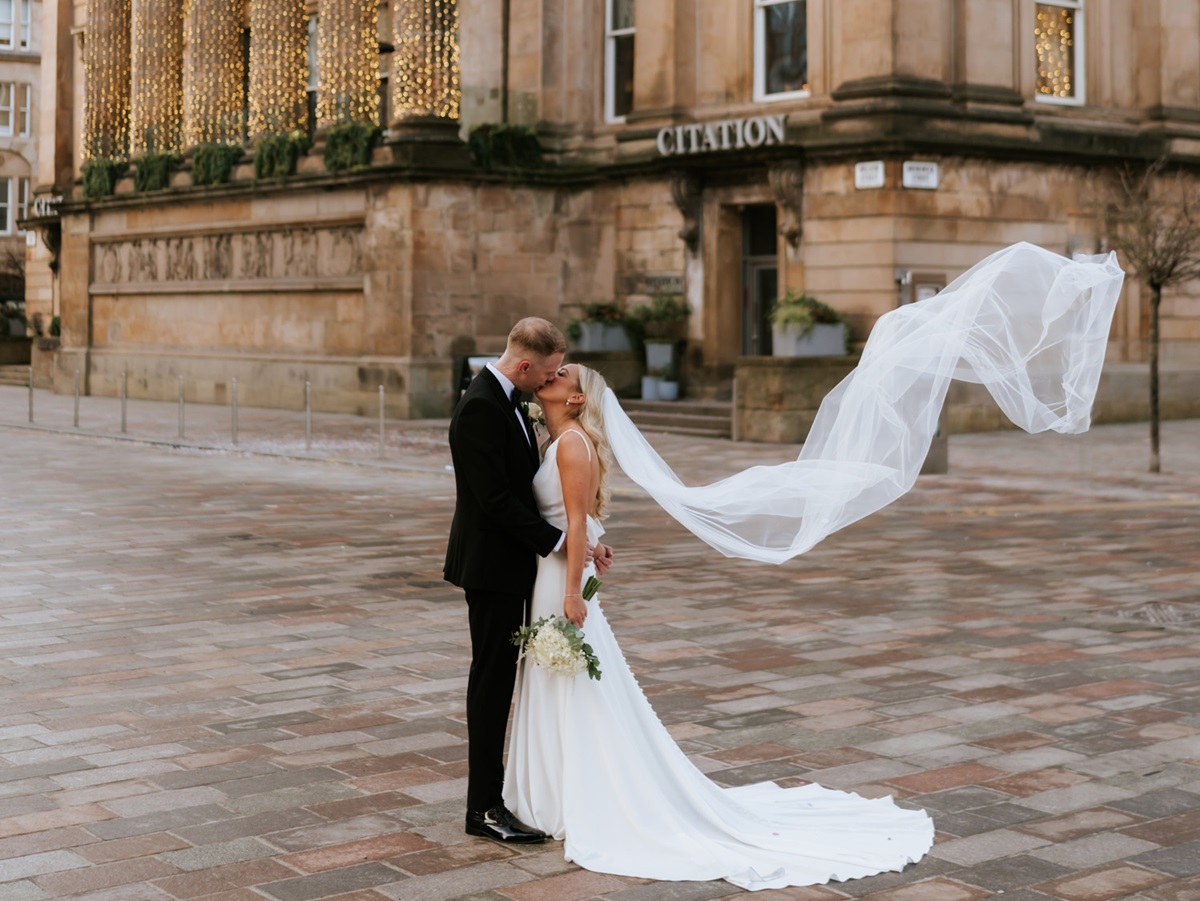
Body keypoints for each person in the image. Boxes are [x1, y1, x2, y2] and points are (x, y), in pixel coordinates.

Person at [502, 363, 935, 891]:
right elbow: (578, 518)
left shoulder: (571, 445)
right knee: (565, 679)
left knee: (573, 681)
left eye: (563, 373)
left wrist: (573, 590)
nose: (552, 374)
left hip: (558, 581)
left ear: (575, 399)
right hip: (553, 572)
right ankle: (556, 793)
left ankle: (569, 798)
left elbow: (570, 519)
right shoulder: (559, 439)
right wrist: (595, 544)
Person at [444, 318, 611, 846]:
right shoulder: (480, 409)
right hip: (493, 569)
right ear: (523, 366)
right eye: (543, 373)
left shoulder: (514, 404)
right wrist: (565, 546)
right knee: (491, 685)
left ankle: (512, 795)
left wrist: (583, 541)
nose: (545, 382)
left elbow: (551, 498)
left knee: (508, 683)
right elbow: (494, 503)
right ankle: (483, 809)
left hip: (522, 567)